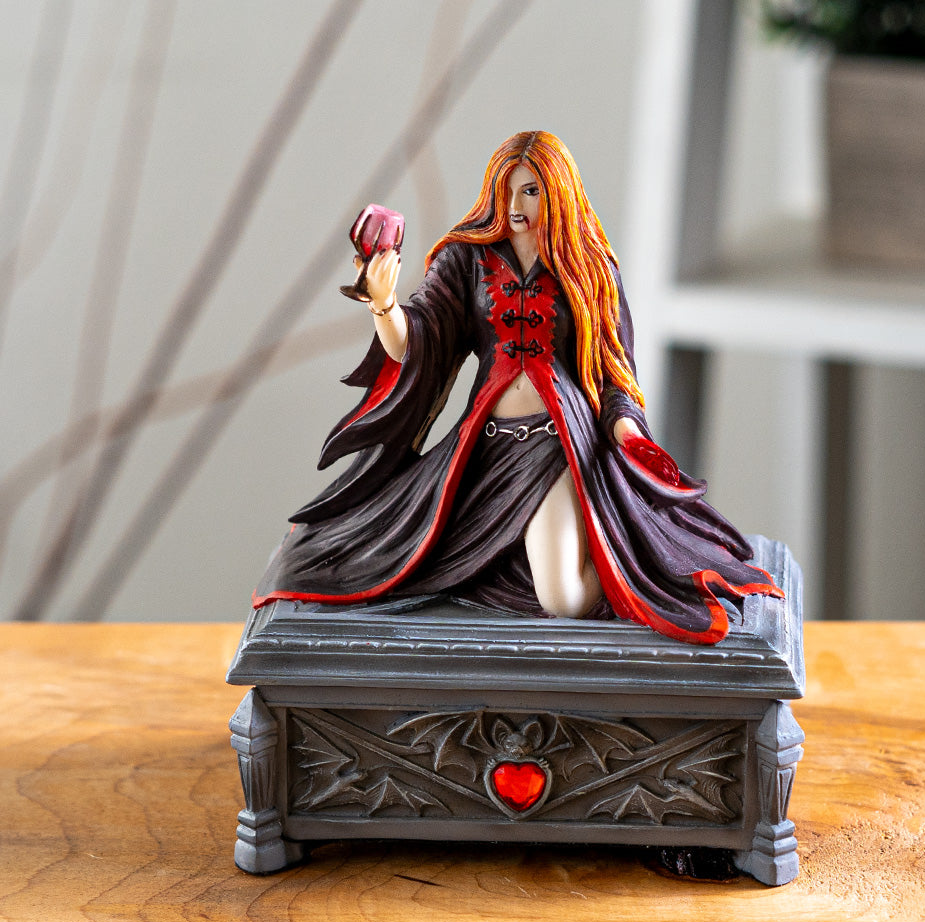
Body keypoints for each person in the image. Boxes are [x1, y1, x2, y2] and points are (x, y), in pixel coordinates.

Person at [254, 131, 781, 644]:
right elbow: (415, 344)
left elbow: (615, 371)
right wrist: (383, 303)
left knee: (563, 599)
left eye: (530, 191)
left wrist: (626, 431)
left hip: (559, 449)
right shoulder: (465, 260)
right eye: (505, 190)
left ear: (557, 192)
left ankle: (620, 562)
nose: (514, 206)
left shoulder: (590, 267)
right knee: (378, 556)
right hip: (482, 452)